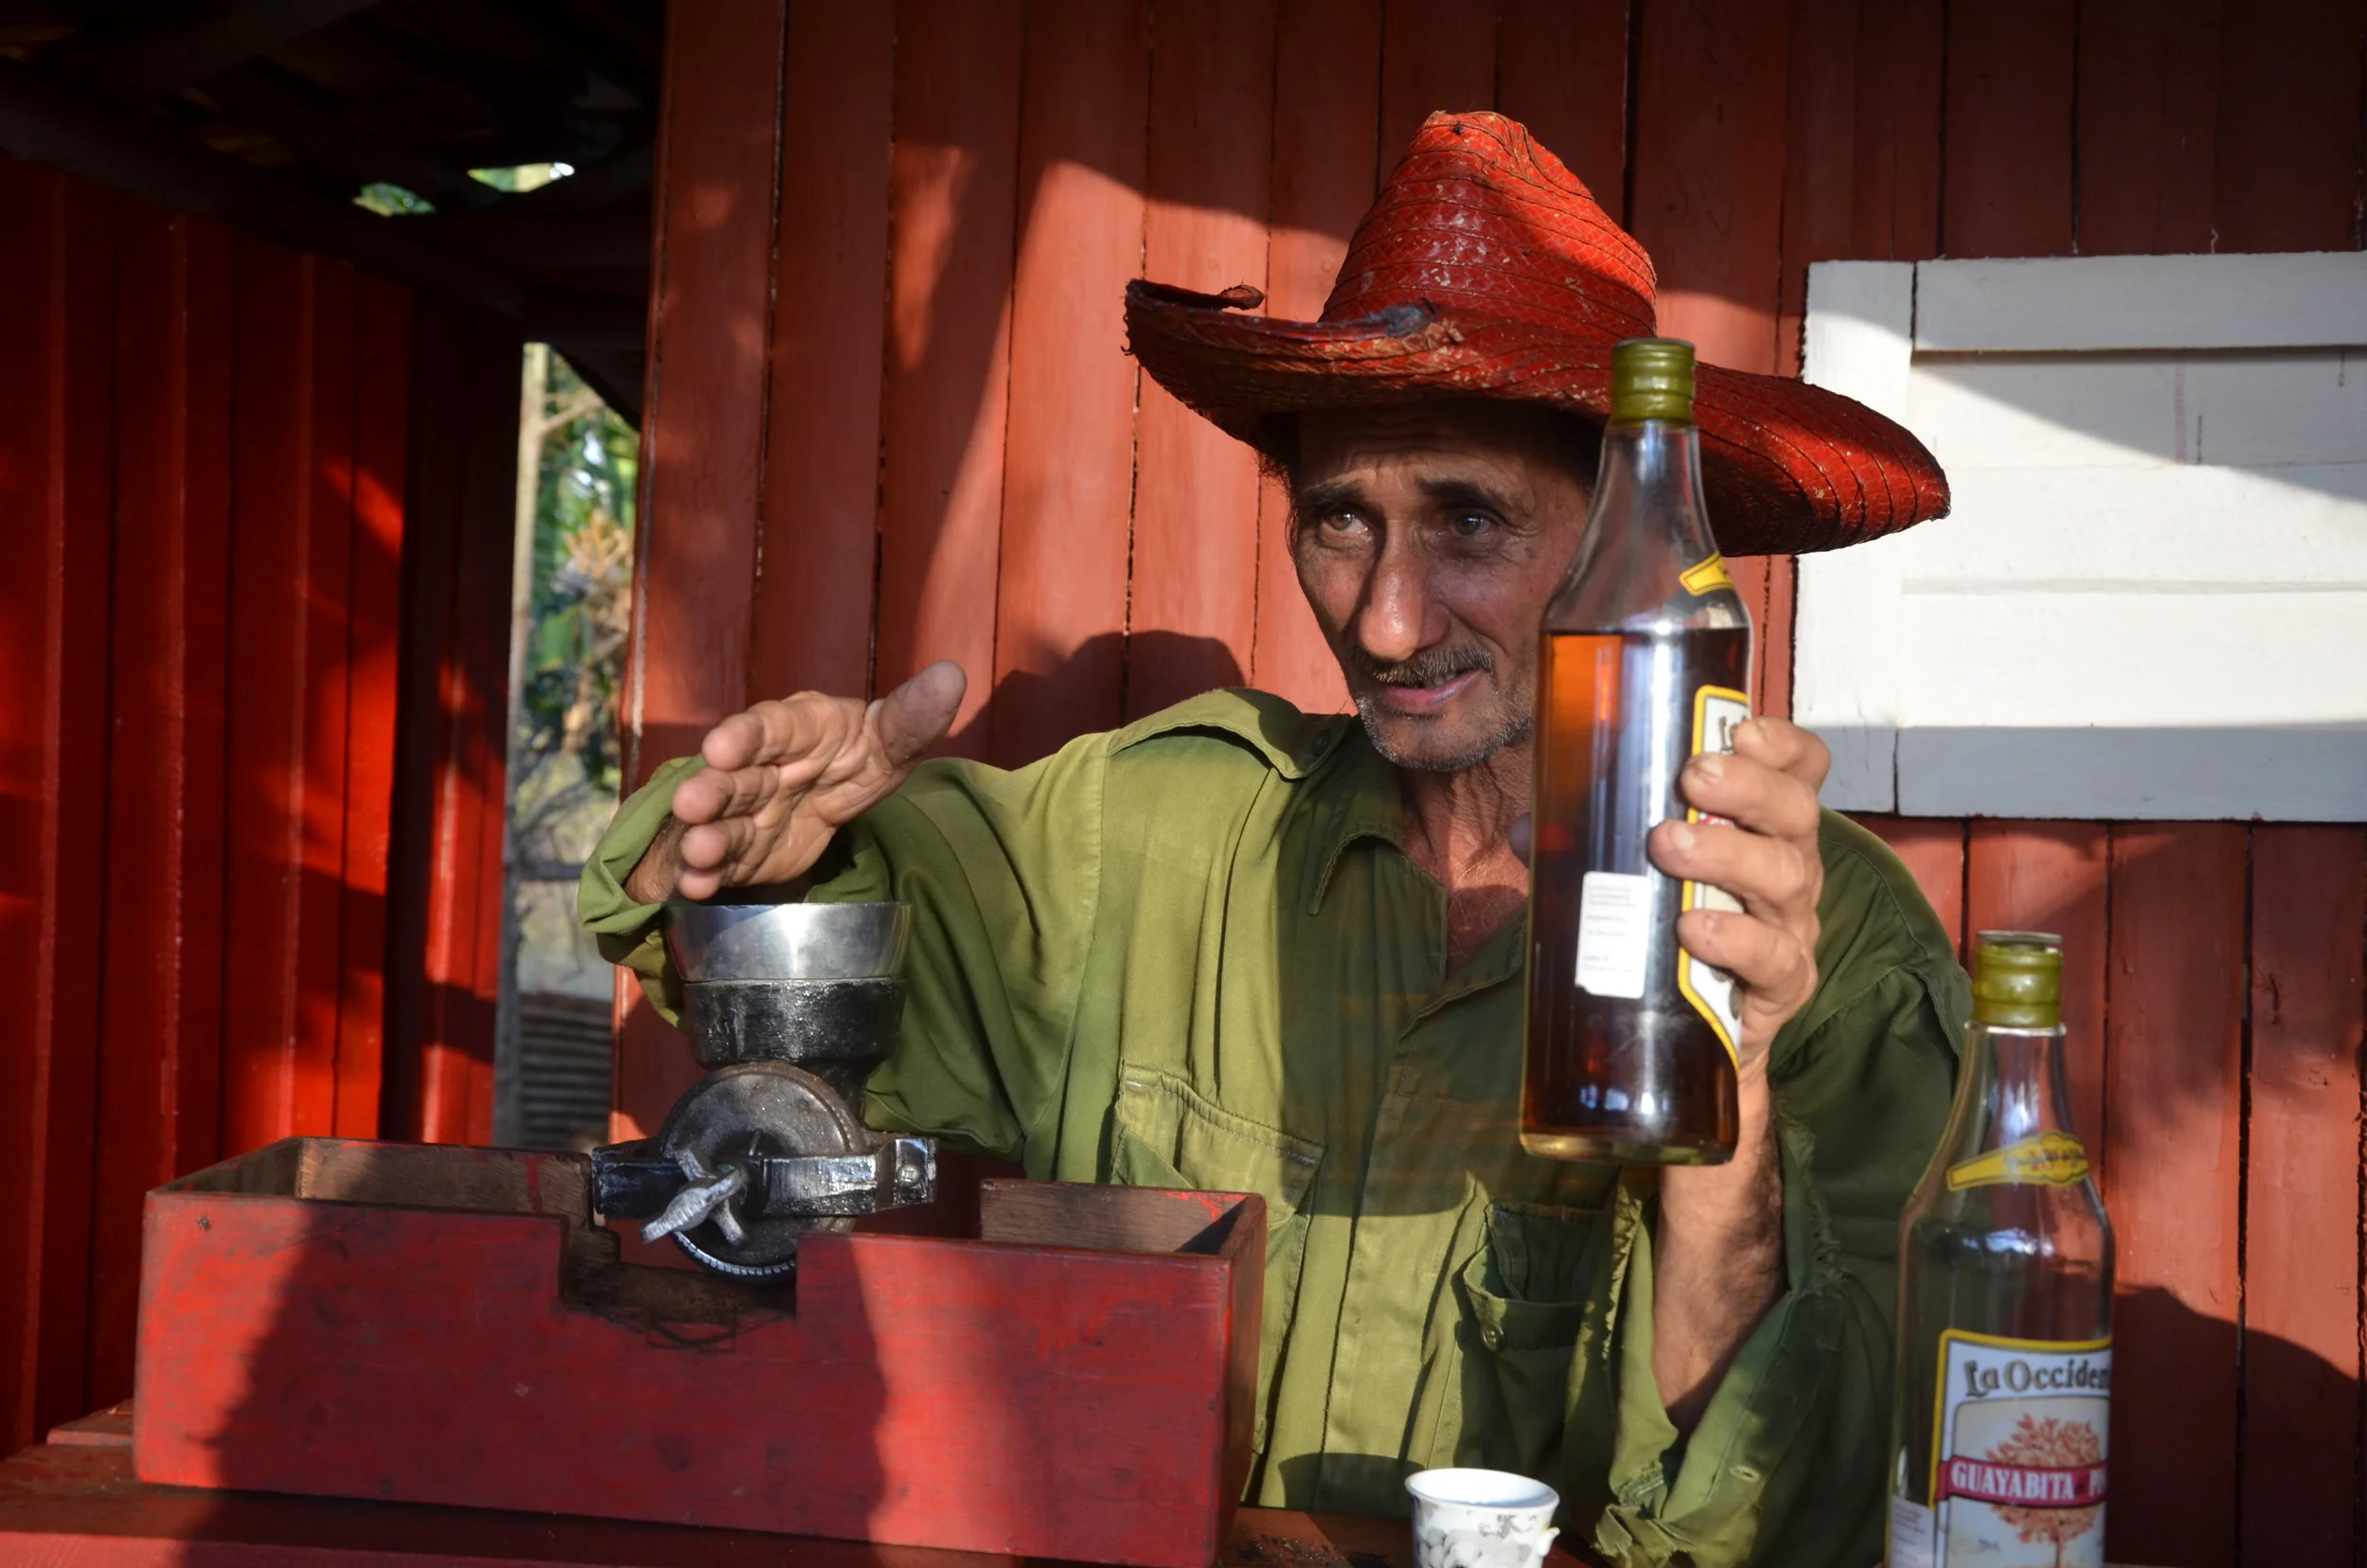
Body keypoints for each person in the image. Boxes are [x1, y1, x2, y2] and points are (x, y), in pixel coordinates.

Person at [582, 113, 1967, 1567]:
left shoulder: (1822, 950)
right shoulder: (1148, 834)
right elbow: (848, 930)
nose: (1387, 622)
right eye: (1340, 523)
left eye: (1469, 522)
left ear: (1630, 542)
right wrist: (765, 861)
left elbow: (1805, 1506)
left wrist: (1721, 1090)